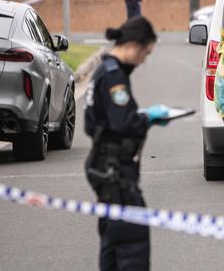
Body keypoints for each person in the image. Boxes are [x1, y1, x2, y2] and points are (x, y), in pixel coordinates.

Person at [84, 16, 169, 270]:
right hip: (116, 172)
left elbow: (96, 123)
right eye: (145, 53)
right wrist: (146, 119)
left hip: (104, 166)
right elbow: (122, 123)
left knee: (113, 243)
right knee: (132, 243)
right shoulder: (114, 77)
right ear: (133, 45)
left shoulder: (104, 70)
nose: (143, 60)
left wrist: (140, 117)